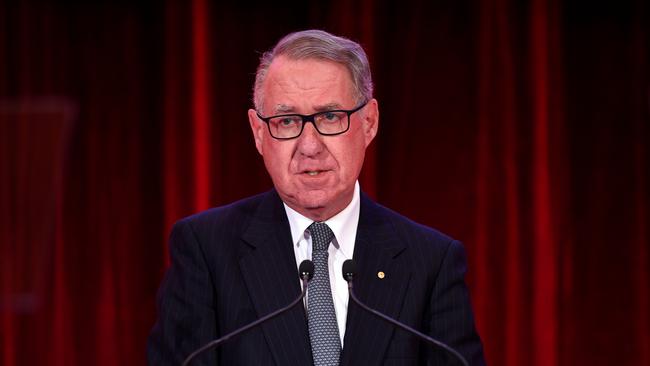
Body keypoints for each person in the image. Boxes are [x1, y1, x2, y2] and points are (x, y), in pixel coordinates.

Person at [147, 29, 485, 366]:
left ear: (369, 122)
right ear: (259, 133)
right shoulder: (206, 251)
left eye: (330, 117)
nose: (309, 146)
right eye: (287, 121)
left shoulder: (430, 262)